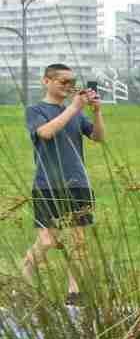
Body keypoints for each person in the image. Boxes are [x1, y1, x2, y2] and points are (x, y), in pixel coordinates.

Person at [21, 63, 104, 305]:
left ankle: (74, 293)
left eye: (72, 82)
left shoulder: (77, 112)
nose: (69, 86)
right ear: (47, 81)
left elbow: (98, 137)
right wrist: (74, 108)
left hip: (77, 183)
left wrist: (97, 112)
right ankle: (22, 286)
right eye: (63, 82)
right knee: (47, 240)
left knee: (77, 242)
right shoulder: (36, 110)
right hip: (47, 184)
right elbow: (46, 133)